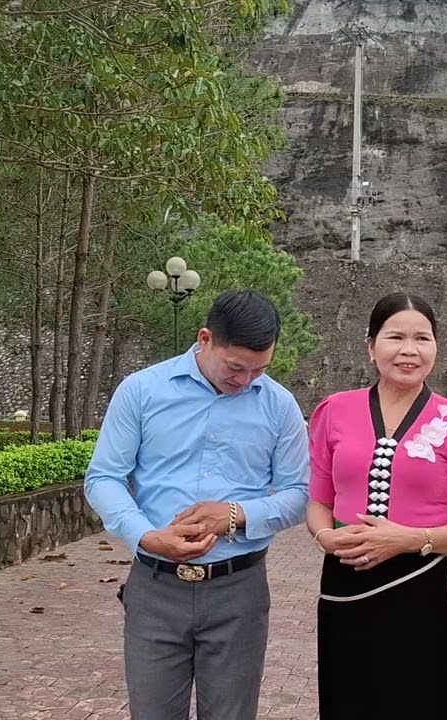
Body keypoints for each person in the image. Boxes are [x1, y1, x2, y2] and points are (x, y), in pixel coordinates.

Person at [84, 289, 310, 720]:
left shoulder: (279, 406)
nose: (245, 380)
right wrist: (147, 536)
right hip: (155, 588)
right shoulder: (142, 391)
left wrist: (236, 515)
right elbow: (104, 478)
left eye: (260, 369)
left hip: (238, 592)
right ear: (204, 339)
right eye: (236, 367)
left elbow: (300, 493)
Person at [306, 291, 447, 720]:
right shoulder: (335, 411)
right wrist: (325, 537)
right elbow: (318, 502)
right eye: (395, 337)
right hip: (345, 579)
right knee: (346, 699)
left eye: (422, 338)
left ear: (435, 349)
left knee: (417, 700)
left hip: (420, 584)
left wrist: (409, 539)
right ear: (371, 346)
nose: (409, 350)